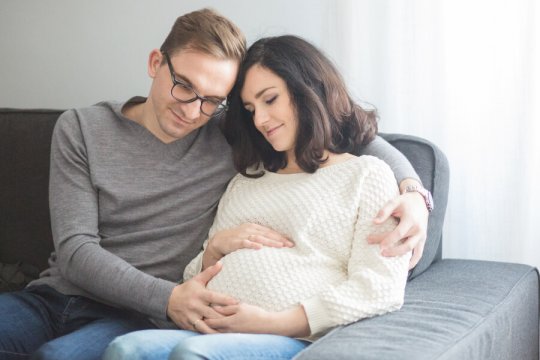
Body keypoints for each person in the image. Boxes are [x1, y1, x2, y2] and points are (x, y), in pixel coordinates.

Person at [0, 9, 429, 360]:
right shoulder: (82, 128)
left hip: (136, 316)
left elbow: (350, 129)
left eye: (212, 100)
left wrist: (412, 193)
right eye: (183, 86)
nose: (192, 110)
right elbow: (76, 251)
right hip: (55, 296)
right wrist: (178, 291)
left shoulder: (229, 132)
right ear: (155, 64)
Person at [102, 34, 423, 360]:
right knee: (125, 349)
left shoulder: (366, 176)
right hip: (206, 329)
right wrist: (213, 251)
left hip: (291, 336)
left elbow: (380, 287)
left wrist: (275, 322)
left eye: (270, 100)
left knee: (192, 354)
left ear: (308, 90)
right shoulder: (246, 181)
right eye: (250, 108)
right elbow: (192, 277)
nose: (260, 120)